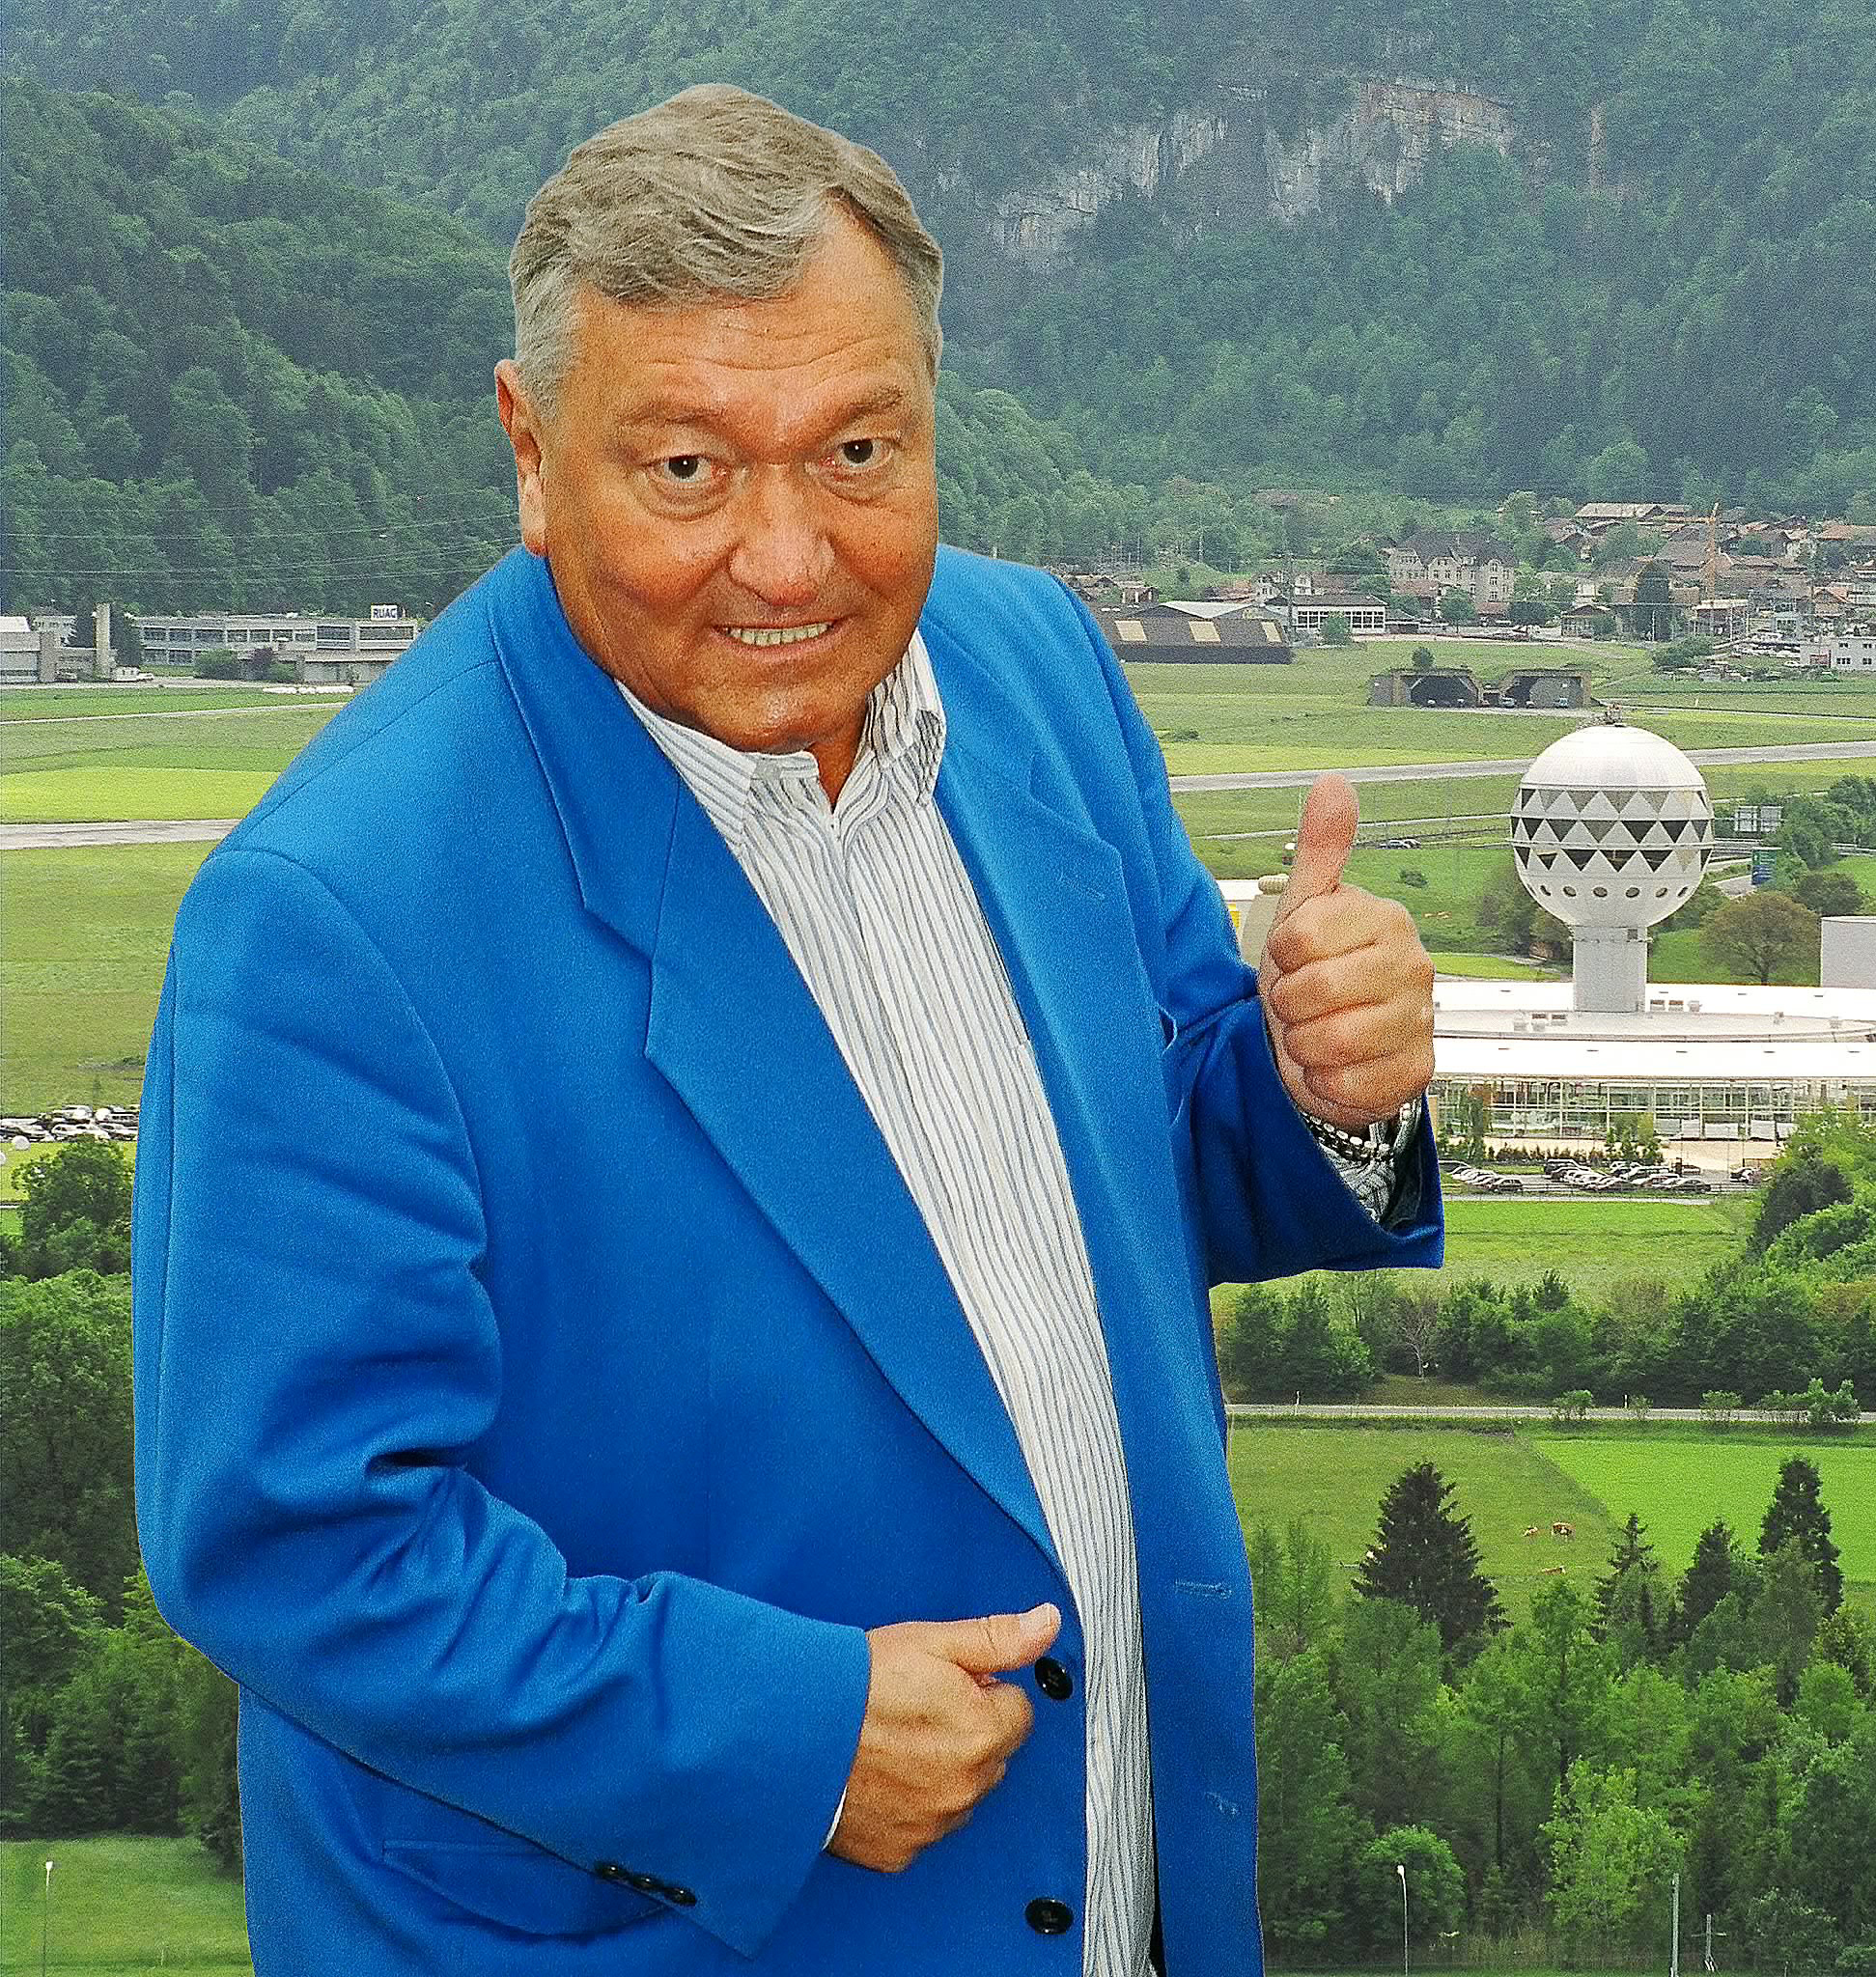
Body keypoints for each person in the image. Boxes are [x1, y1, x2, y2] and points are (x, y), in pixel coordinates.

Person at [131, 85, 1441, 1974]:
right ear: (528, 447)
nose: (784, 556)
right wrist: (783, 1736)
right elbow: (295, 1543)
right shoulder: (336, 921)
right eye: (684, 471)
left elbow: (1125, 1166)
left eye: (853, 449)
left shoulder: (1028, 666)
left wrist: (1321, 1089)